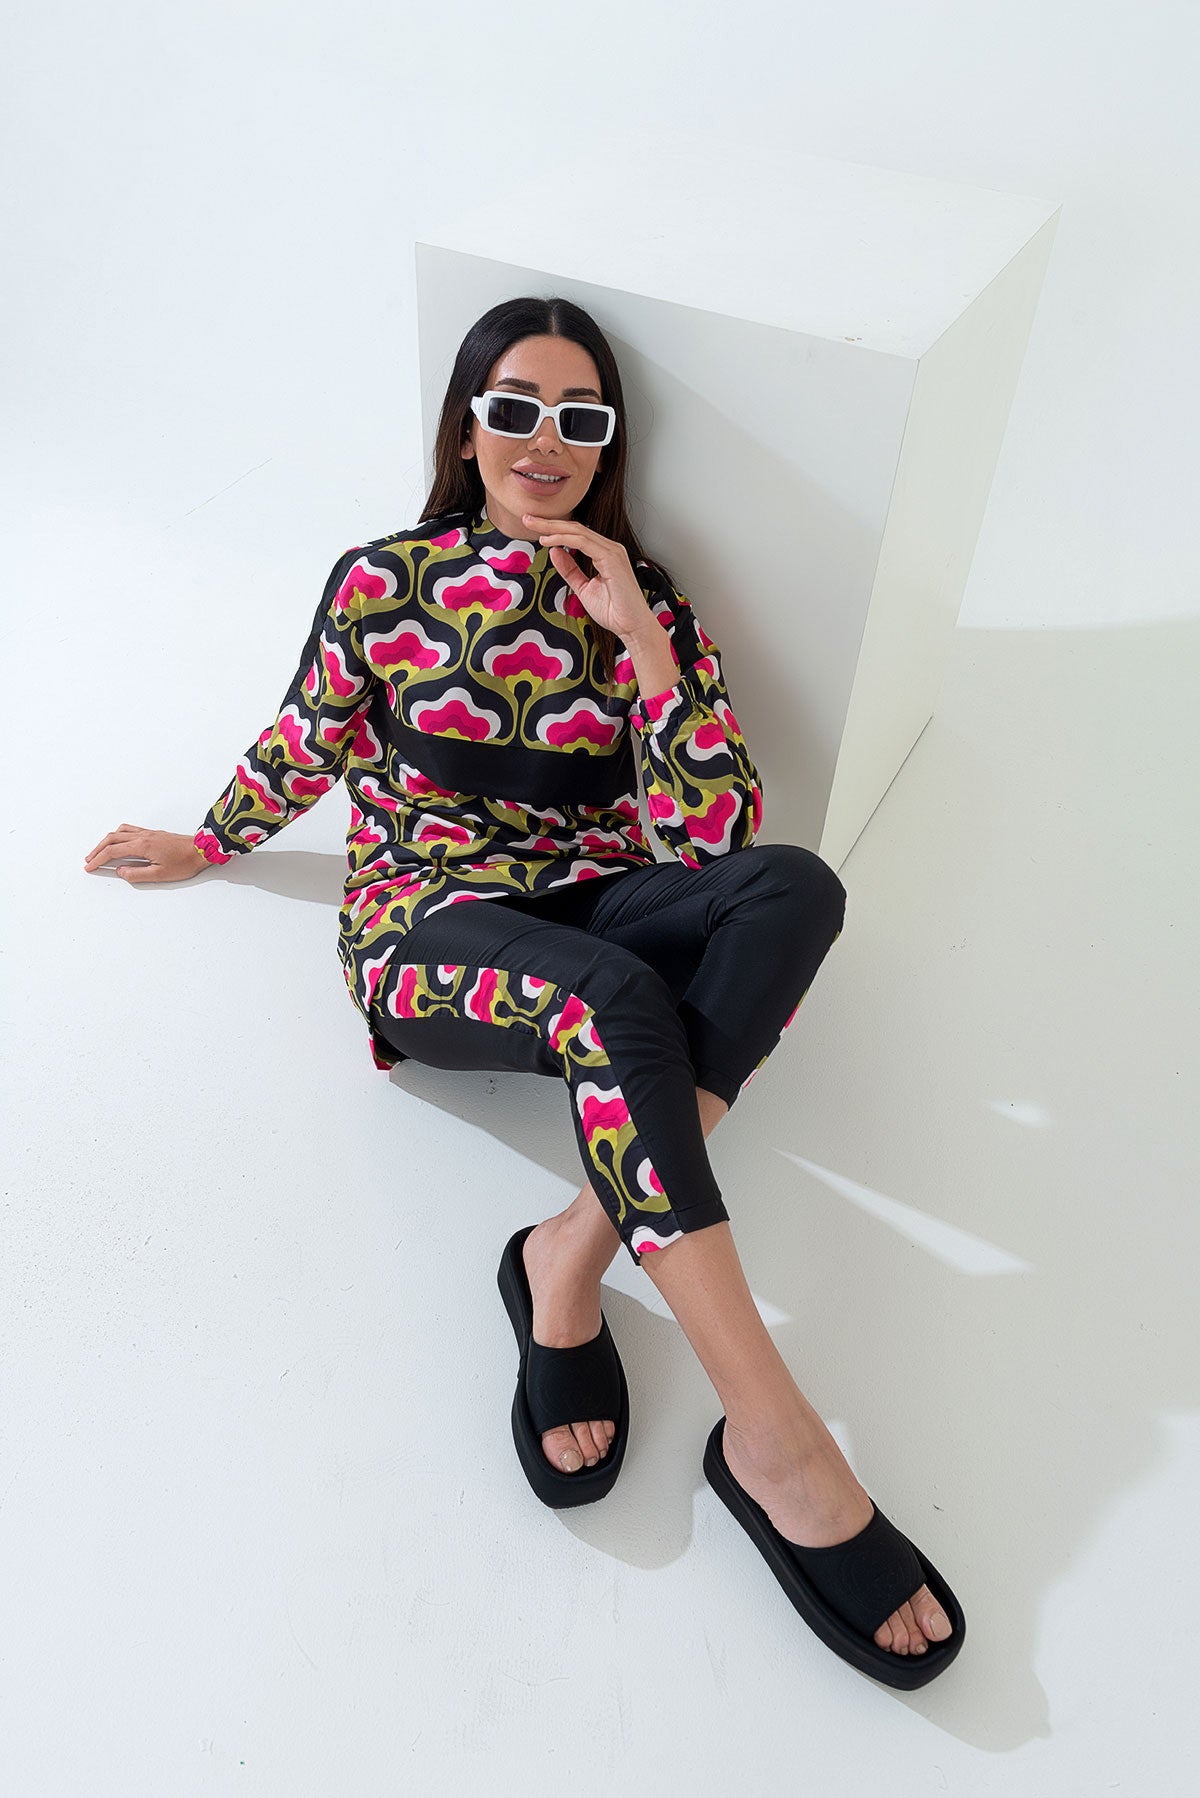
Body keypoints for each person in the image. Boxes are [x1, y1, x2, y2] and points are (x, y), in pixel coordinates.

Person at [83, 295, 963, 1686]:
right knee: (613, 1000)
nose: (544, 442)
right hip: (429, 926)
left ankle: (567, 1253)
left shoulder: (642, 594)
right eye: (515, 410)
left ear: (607, 443)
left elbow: (715, 836)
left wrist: (643, 641)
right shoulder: (384, 580)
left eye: (578, 418)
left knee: (796, 887)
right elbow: (307, 737)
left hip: (596, 898)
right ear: (466, 428)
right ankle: (776, 1433)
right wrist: (209, 839)